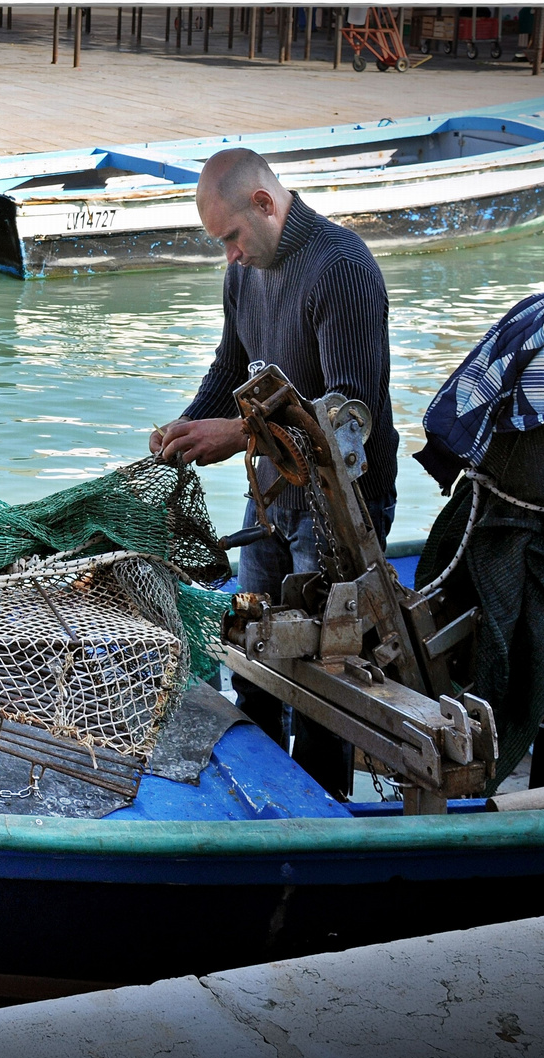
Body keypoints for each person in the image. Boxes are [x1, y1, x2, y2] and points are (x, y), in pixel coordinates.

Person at [149, 147, 399, 797]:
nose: (227, 254)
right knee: (253, 659)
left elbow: (351, 423)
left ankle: (319, 819)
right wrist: (183, 429)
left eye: (229, 237)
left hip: (344, 518)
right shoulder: (244, 272)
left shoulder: (341, 269)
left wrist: (236, 434)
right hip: (272, 505)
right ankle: (251, 802)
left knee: (324, 684)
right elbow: (232, 374)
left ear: (265, 204)